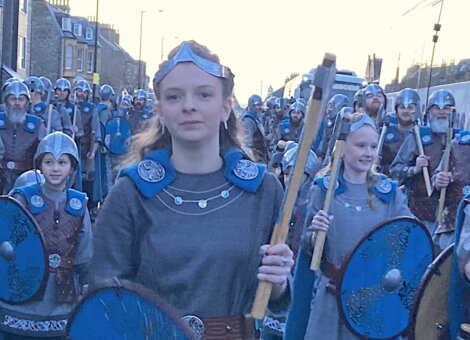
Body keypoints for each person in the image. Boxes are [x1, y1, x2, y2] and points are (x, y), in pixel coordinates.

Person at [87, 40, 293, 339]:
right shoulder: (131, 192)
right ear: (160, 110)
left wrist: (278, 282)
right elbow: (104, 299)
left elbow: (277, 298)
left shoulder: (263, 190)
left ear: (226, 107)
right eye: (174, 97)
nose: (189, 106)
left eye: (204, 94)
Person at [290, 112, 412, 339]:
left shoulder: (388, 194)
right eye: (361, 145)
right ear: (343, 147)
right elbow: (309, 246)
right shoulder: (324, 190)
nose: (368, 153)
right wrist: (316, 235)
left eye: (373, 146)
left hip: (374, 296)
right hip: (332, 296)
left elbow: (410, 236)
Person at [0, 132, 92, 339]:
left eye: (62, 162)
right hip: (22, 294)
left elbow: (85, 254)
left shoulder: (79, 204)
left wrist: (87, 287)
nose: (56, 168)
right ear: (40, 165)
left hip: (61, 300)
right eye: (49, 162)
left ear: (72, 167)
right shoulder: (22, 197)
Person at [390, 89, 456, 237]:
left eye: (446, 108)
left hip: (451, 214)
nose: (441, 112)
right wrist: (414, 169)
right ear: (428, 112)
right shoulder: (417, 136)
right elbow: (395, 170)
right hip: (420, 211)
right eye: (436, 108)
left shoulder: (460, 141)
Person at [0, 80, 45, 194]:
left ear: (27, 102)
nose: (17, 103)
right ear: (6, 101)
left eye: (21, 99)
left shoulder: (37, 124)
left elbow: (43, 154)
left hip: (26, 178)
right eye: (13, 99)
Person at [379, 87, 419, 177]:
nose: (406, 111)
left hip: (413, 183)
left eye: (410, 107)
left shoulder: (422, 135)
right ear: (396, 110)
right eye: (402, 107)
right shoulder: (384, 133)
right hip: (385, 182)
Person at [241, 94, 270, 164]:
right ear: (252, 106)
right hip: (254, 158)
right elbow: (247, 143)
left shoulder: (255, 119)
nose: (260, 107)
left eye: (260, 105)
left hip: (261, 157)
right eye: (257, 105)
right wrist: (251, 159)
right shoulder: (247, 120)